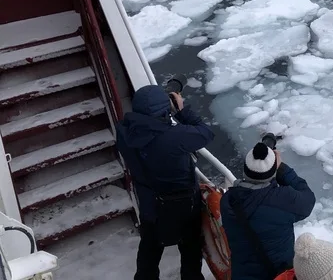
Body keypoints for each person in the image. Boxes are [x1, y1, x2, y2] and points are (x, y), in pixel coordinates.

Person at [116, 84, 215, 280]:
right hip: (184, 204)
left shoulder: (124, 133)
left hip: (150, 205)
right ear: (164, 110)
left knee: (149, 250)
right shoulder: (175, 137)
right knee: (190, 248)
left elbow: (150, 130)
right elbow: (205, 133)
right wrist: (181, 109)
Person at [221, 141, 316, 280]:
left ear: (244, 170)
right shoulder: (283, 199)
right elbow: (308, 199)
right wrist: (282, 169)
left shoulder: (227, 201)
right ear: (273, 172)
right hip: (278, 274)